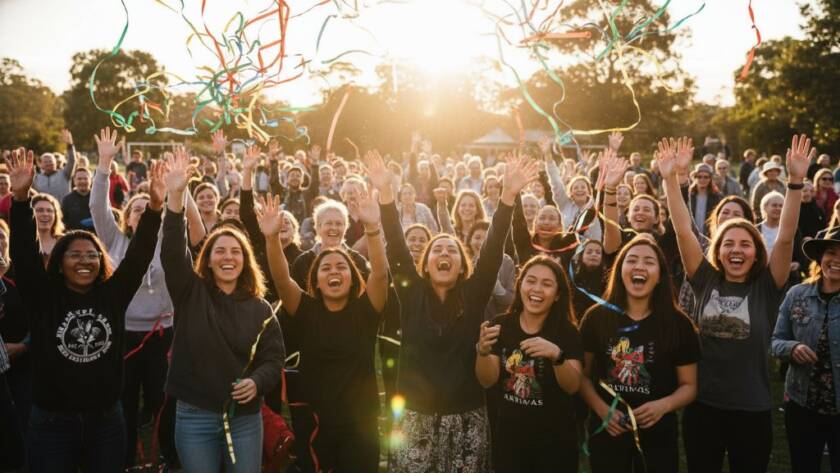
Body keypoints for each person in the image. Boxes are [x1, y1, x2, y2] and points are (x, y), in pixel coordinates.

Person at [8, 129, 164, 473]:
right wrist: (20, 201)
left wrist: (154, 208)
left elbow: (138, 257)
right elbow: (24, 253)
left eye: (92, 255)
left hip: (106, 422)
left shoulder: (113, 293)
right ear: (60, 261)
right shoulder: (43, 296)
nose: (84, 260)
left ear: (102, 262)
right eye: (75, 254)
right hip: (52, 423)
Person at [375, 150, 538, 471]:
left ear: (463, 265)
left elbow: (492, 250)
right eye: (438, 249)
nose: (444, 252)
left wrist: (507, 196)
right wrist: (385, 193)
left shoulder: (474, 295)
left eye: (452, 249)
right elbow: (395, 242)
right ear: (425, 264)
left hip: (466, 418)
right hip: (414, 418)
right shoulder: (411, 295)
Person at [660, 135, 813, 473]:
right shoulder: (704, 279)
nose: (736, 250)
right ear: (718, 249)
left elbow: (786, 236)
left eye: (745, 244)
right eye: (728, 243)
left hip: (752, 410)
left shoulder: (767, 287)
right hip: (703, 408)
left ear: (757, 251)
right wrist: (670, 179)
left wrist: (796, 182)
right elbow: (684, 230)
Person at [160, 148, 284, 473]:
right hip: (194, 415)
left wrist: (257, 382)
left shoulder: (260, 309)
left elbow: (273, 359)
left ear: (245, 261)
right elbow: (172, 250)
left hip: (245, 419)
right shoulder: (190, 293)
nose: (228, 257)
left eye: (235, 251)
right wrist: (175, 197)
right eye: (220, 250)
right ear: (208, 258)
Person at [261, 183, 389, 472]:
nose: (334, 271)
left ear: (353, 276)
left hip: (361, 421)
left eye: (341, 267)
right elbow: (282, 280)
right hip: (314, 419)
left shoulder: (366, 310)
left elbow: (380, 273)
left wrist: (372, 228)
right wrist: (271, 239)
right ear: (315, 281)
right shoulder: (305, 310)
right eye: (326, 268)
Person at [90, 144, 180, 468]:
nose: (142, 212)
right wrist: (104, 165)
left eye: (148, 207)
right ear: (127, 217)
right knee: (125, 400)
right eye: (136, 209)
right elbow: (98, 207)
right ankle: (124, 457)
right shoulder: (114, 241)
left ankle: (166, 453)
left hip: (162, 334)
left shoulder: (169, 241)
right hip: (123, 335)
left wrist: (174, 188)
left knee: (162, 400)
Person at [579, 235, 700, 472]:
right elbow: (582, 377)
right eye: (631, 260)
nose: (639, 266)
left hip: (658, 435)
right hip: (608, 430)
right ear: (620, 270)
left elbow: (689, 386)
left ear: (659, 277)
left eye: (649, 261)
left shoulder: (678, 324)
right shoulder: (596, 318)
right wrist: (602, 410)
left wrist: (663, 406)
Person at [475, 256, 583, 472]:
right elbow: (487, 381)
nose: (537, 289)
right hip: (509, 439)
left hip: (555, 442)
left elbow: (573, 386)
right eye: (530, 281)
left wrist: (557, 356)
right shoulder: (500, 326)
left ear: (557, 294)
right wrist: (483, 351)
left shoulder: (567, 332)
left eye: (546, 284)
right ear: (520, 285)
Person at [772, 227, 840, 473]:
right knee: (803, 466)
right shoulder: (797, 295)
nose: (837, 260)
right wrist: (793, 347)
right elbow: (776, 340)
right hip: (802, 405)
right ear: (821, 258)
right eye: (832, 252)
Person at [465, 221, 515, 321]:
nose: (482, 242)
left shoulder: (506, 262)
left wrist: (496, 286)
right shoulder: (464, 261)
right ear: (470, 240)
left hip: (495, 322)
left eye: (487, 238)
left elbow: (510, 300)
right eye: (477, 238)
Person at [32, 129, 76, 201]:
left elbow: (72, 161)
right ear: (41, 165)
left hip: (63, 210)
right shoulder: (36, 178)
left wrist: (70, 145)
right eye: (45, 161)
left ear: (56, 162)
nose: (48, 163)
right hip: (45, 211)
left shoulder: (65, 174)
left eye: (50, 161)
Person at [689, 163, 723, 237]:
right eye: (699, 177)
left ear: (710, 179)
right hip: (691, 235)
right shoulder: (689, 196)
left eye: (706, 177)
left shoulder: (717, 197)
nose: (702, 179)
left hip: (709, 236)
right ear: (695, 178)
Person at [61, 167, 94, 231]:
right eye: (79, 179)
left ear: (91, 180)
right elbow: (63, 222)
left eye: (85, 178)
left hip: (96, 237)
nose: (82, 181)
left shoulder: (98, 198)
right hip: (75, 237)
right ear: (74, 181)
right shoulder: (67, 200)